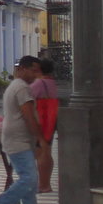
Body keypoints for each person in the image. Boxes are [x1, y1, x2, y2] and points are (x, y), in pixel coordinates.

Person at [0, 55, 45, 204]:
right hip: (18, 140)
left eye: (37, 71)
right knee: (29, 178)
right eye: (32, 70)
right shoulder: (21, 88)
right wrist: (40, 139)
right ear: (22, 69)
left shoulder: (16, 86)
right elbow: (28, 116)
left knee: (28, 178)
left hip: (18, 139)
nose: (35, 75)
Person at [31, 57, 59, 194]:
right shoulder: (51, 83)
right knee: (46, 151)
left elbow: (27, 97)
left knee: (41, 152)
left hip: (41, 120)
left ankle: (43, 184)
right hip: (50, 120)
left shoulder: (39, 83)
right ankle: (45, 183)